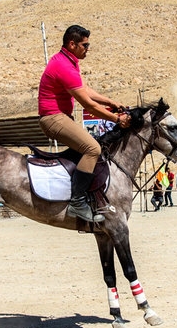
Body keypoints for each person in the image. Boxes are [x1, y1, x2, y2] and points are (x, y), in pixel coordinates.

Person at [38, 24, 131, 222]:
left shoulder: (69, 60)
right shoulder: (63, 66)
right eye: (85, 45)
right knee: (92, 149)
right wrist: (117, 119)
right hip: (53, 117)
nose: (88, 49)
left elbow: (85, 89)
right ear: (72, 44)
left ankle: (88, 196)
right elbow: (88, 105)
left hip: (61, 116)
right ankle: (77, 203)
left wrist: (111, 102)